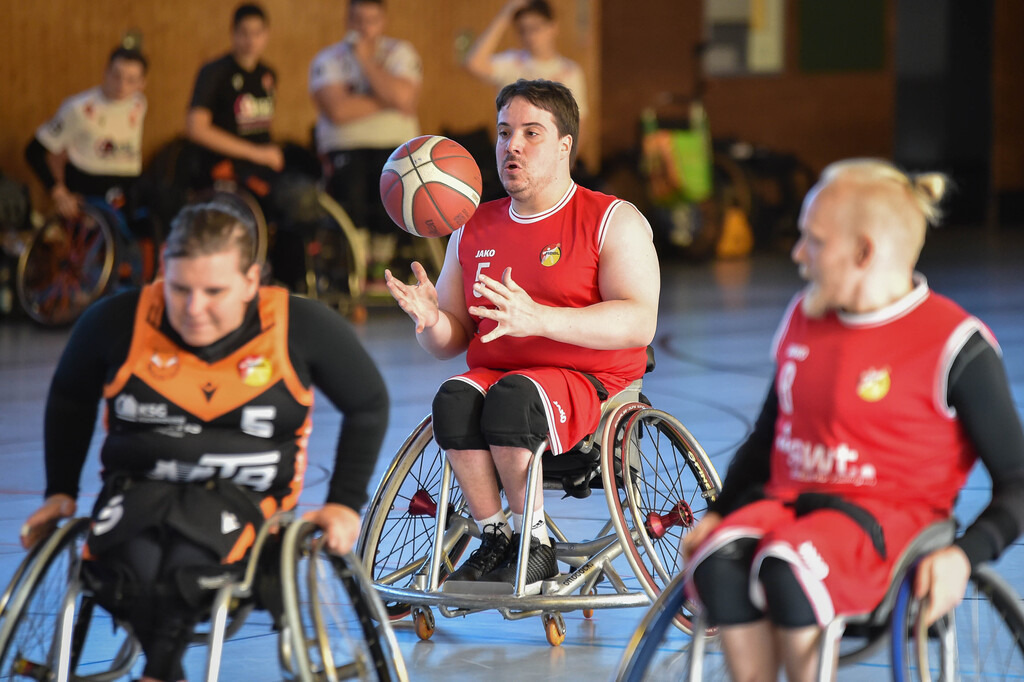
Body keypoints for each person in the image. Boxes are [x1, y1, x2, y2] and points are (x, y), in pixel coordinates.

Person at [681, 159, 1024, 681]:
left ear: (864, 253)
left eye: (813, 242)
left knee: (788, 569)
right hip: (787, 509)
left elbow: (1018, 483)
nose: (797, 255)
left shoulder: (956, 345)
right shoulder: (804, 316)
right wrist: (719, 512)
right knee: (716, 558)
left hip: (884, 526)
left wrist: (963, 556)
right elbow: (770, 433)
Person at [18, 201, 390, 682]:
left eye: (214, 291)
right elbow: (69, 399)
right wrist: (59, 492)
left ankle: (160, 669)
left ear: (252, 281)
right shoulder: (116, 322)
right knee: (126, 568)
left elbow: (369, 404)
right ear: (161, 276)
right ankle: (164, 668)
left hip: (247, 499)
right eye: (179, 289)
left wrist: (345, 503)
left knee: (187, 568)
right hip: (137, 492)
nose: (194, 308)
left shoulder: (300, 326)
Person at [385, 78, 659, 588]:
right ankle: (497, 535)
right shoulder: (472, 226)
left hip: (592, 382)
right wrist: (429, 321)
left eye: (531, 133)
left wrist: (541, 319)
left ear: (564, 147)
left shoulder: (612, 219)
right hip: (505, 375)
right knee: (453, 398)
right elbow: (452, 338)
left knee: (513, 399)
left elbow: (640, 320)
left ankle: (536, 543)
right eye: (505, 132)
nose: (513, 145)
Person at [309, 0, 422, 284]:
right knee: (354, 187)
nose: (365, 28)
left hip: (397, 149)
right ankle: (355, 262)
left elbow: (405, 98)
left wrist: (367, 63)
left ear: (383, 21)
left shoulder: (401, 53)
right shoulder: (328, 59)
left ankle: (383, 263)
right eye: (358, 20)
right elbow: (338, 111)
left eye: (372, 20)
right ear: (348, 21)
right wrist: (388, 99)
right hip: (344, 150)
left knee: (395, 186)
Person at [24, 45, 156, 277]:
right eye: (116, 76)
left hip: (128, 189)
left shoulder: (139, 103)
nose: (122, 86)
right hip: (92, 192)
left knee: (163, 214)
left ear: (142, 83)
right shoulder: (78, 109)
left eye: (131, 80)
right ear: (105, 72)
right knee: (114, 236)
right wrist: (59, 192)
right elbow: (33, 152)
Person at [463, 0, 592, 174]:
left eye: (535, 28)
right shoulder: (512, 63)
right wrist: (506, 13)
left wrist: (563, 163)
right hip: (512, 161)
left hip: (552, 164)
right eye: (523, 30)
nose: (530, 36)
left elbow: (580, 123)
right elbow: (473, 63)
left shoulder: (569, 72)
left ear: (553, 27)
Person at [185, 3, 282, 192]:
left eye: (257, 33)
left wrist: (267, 154)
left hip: (261, 166)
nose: (250, 40)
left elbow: (260, 127)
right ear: (233, 33)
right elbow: (196, 128)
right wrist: (255, 153)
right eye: (244, 33)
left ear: (266, 34)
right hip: (223, 167)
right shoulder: (214, 72)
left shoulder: (268, 74)